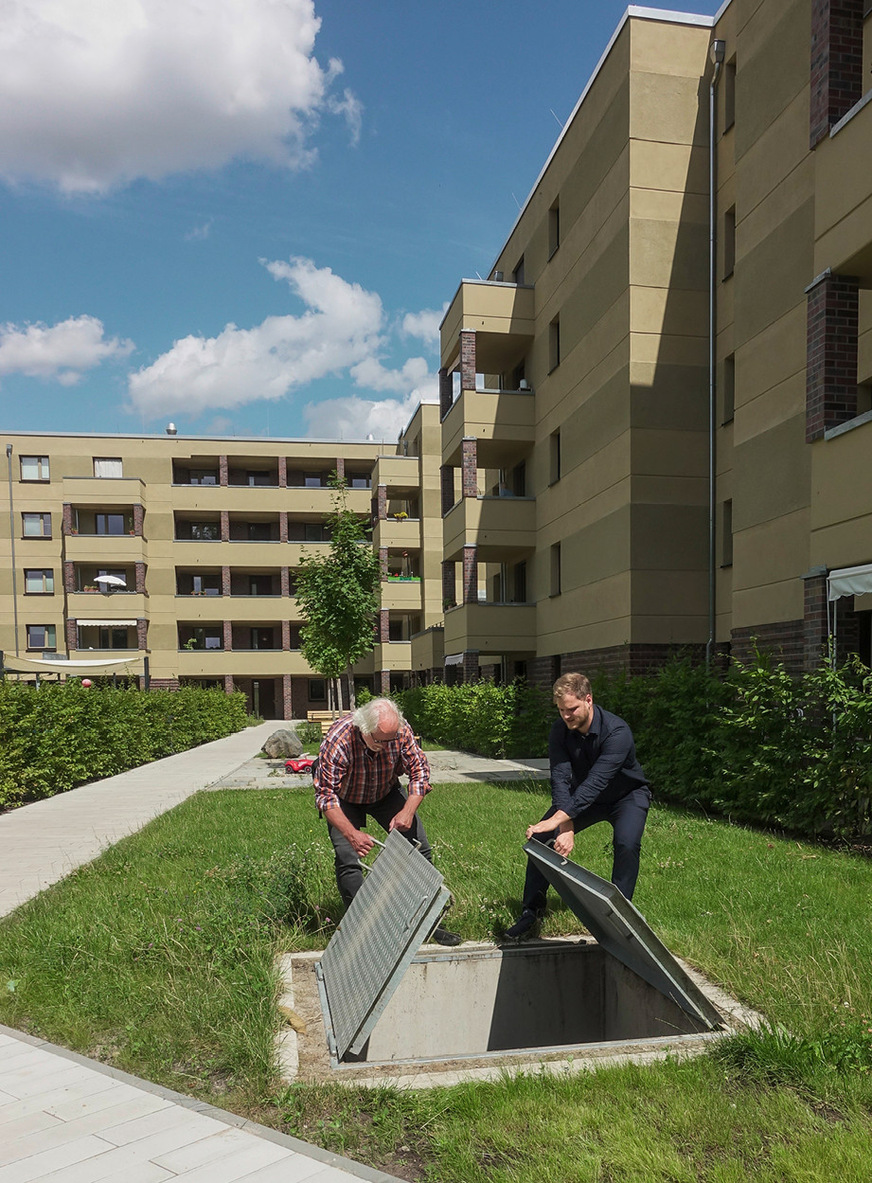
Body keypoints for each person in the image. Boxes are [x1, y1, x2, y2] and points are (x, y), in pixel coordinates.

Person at [505, 672, 652, 939]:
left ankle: (621, 914)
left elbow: (596, 782)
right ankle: (531, 913)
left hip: (626, 796)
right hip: (582, 798)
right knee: (541, 838)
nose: (566, 716)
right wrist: (564, 824)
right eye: (561, 710)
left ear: (588, 700)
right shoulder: (559, 731)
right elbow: (561, 779)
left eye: (571, 709)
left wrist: (560, 818)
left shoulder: (617, 732)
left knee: (626, 843)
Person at [314, 696, 461, 946]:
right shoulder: (338, 740)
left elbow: (420, 773)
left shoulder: (400, 731)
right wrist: (352, 834)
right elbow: (326, 796)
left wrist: (408, 811)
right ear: (364, 729)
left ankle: (427, 923)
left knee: (419, 848)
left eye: (390, 740)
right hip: (345, 799)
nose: (386, 744)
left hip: (385, 792)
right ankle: (364, 931)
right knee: (348, 858)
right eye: (380, 740)